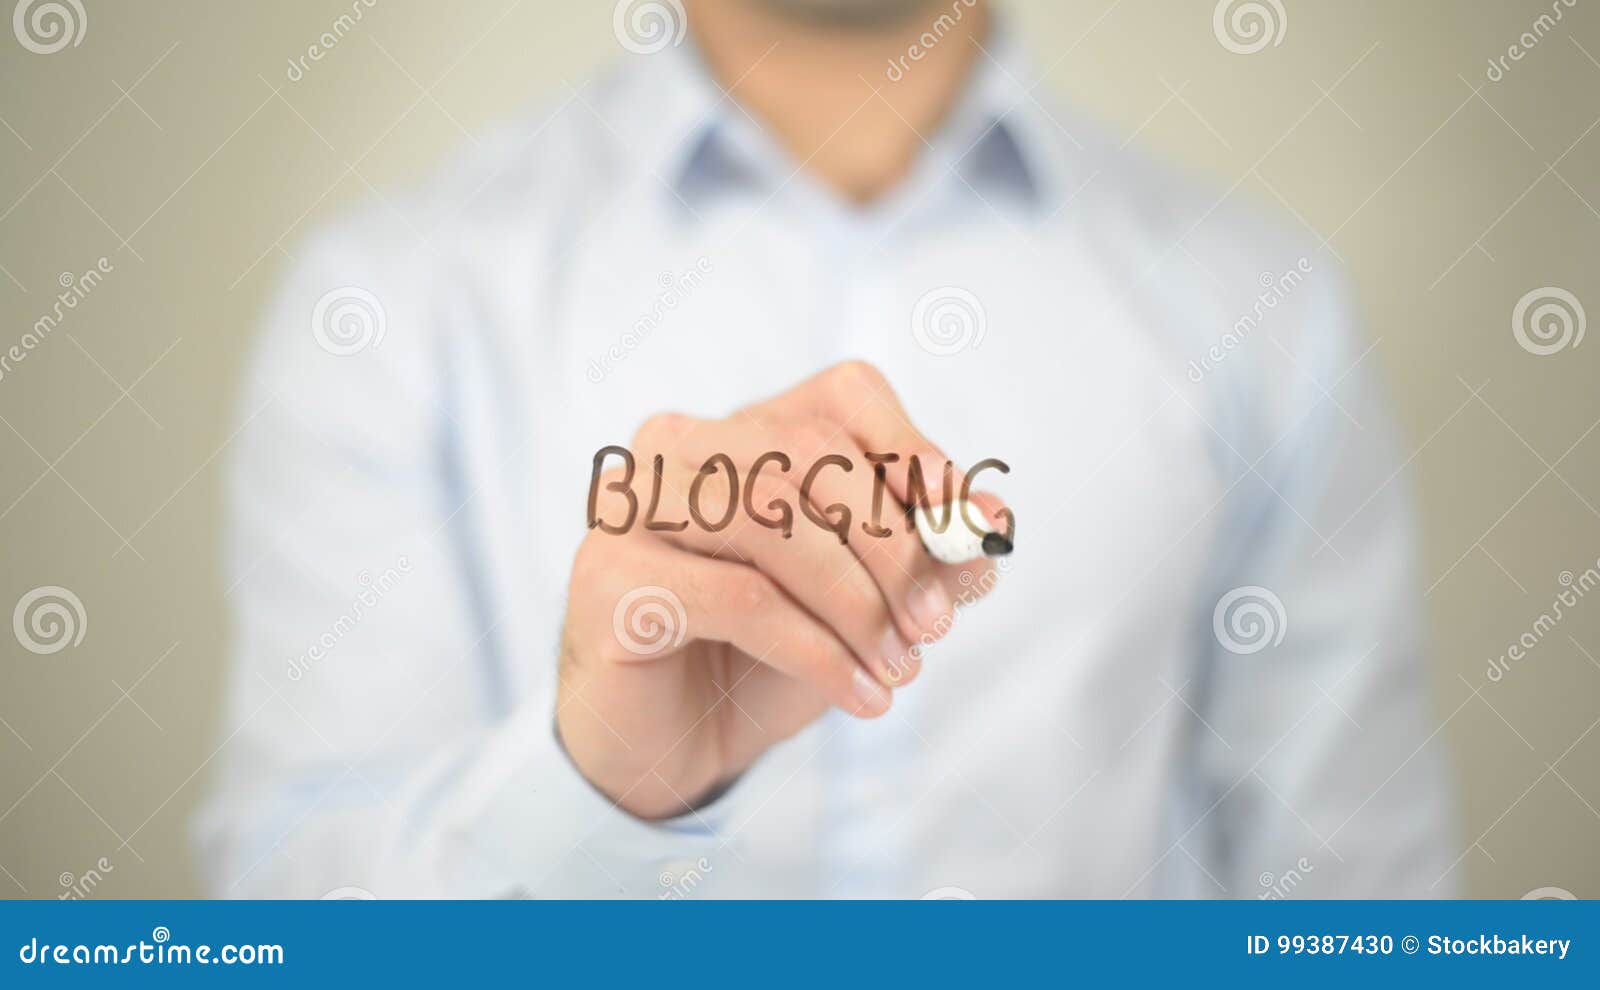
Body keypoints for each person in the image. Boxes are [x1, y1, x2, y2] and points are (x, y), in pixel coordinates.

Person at [194, 0, 1454, 897]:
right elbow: (291, 920)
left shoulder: (1266, 309)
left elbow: (1359, 904)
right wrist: (592, 794)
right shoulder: (389, 302)